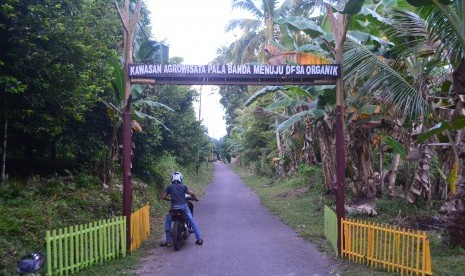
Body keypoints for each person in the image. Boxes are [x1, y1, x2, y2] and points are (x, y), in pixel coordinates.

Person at [161, 171, 203, 247]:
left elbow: (163, 197)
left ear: (172, 179)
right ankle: (199, 239)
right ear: (180, 179)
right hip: (184, 207)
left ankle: (168, 241)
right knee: (191, 220)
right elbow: (192, 193)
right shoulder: (184, 187)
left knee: (168, 222)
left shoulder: (169, 187)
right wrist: (195, 199)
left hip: (174, 207)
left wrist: (169, 199)